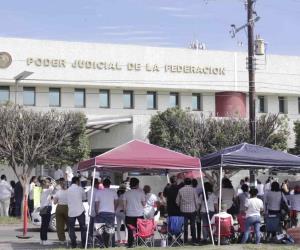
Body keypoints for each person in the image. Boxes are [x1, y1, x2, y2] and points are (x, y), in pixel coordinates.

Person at [123, 177, 145, 248]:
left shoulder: (126, 193)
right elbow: (144, 204)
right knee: (139, 229)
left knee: (130, 230)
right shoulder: (141, 192)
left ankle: (130, 244)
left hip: (129, 214)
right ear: (137, 184)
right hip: (139, 214)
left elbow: (124, 205)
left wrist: (125, 211)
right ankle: (139, 243)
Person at [95, 178, 118, 246]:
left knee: (100, 230)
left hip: (101, 212)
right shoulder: (113, 191)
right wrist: (114, 209)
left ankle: (102, 244)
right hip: (111, 212)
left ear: (103, 184)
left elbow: (97, 203)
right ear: (109, 184)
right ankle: (112, 244)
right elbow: (116, 202)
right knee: (111, 229)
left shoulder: (98, 192)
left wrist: (97, 211)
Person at [176, 178, 199, 245]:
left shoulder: (180, 190)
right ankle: (194, 240)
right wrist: (197, 209)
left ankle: (185, 240)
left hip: (183, 210)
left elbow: (177, 202)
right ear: (191, 183)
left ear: (184, 182)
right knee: (193, 225)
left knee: (185, 226)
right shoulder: (194, 190)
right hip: (192, 210)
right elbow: (196, 201)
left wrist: (180, 206)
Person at [67, 176, 86, 249]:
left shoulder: (68, 190)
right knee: (83, 228)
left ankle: (73, 244)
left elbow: (67, 200)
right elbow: (84, 198)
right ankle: (84, 244)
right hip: (80, 210)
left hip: (71, 211)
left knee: (71, 229)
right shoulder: (80, 189)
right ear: (77, 181)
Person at [53, 178, 68, 245]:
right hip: (67, 207)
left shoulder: (58, 192)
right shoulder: (69, 191)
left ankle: (62, 239)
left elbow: (54, 202)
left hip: (59, 207)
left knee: (59, 225)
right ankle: (72, 237)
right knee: (69, 224)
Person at [39, 178, 54, 245]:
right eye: (48, 182)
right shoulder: (46, 190)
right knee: (45, 225)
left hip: (43, 208)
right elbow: (54, 186)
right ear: (45, 184)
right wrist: (52, 182)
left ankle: (42, 240)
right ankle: (44, 240)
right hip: (46, 208)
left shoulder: (42, 190)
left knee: (43, 225)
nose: (49, 183)